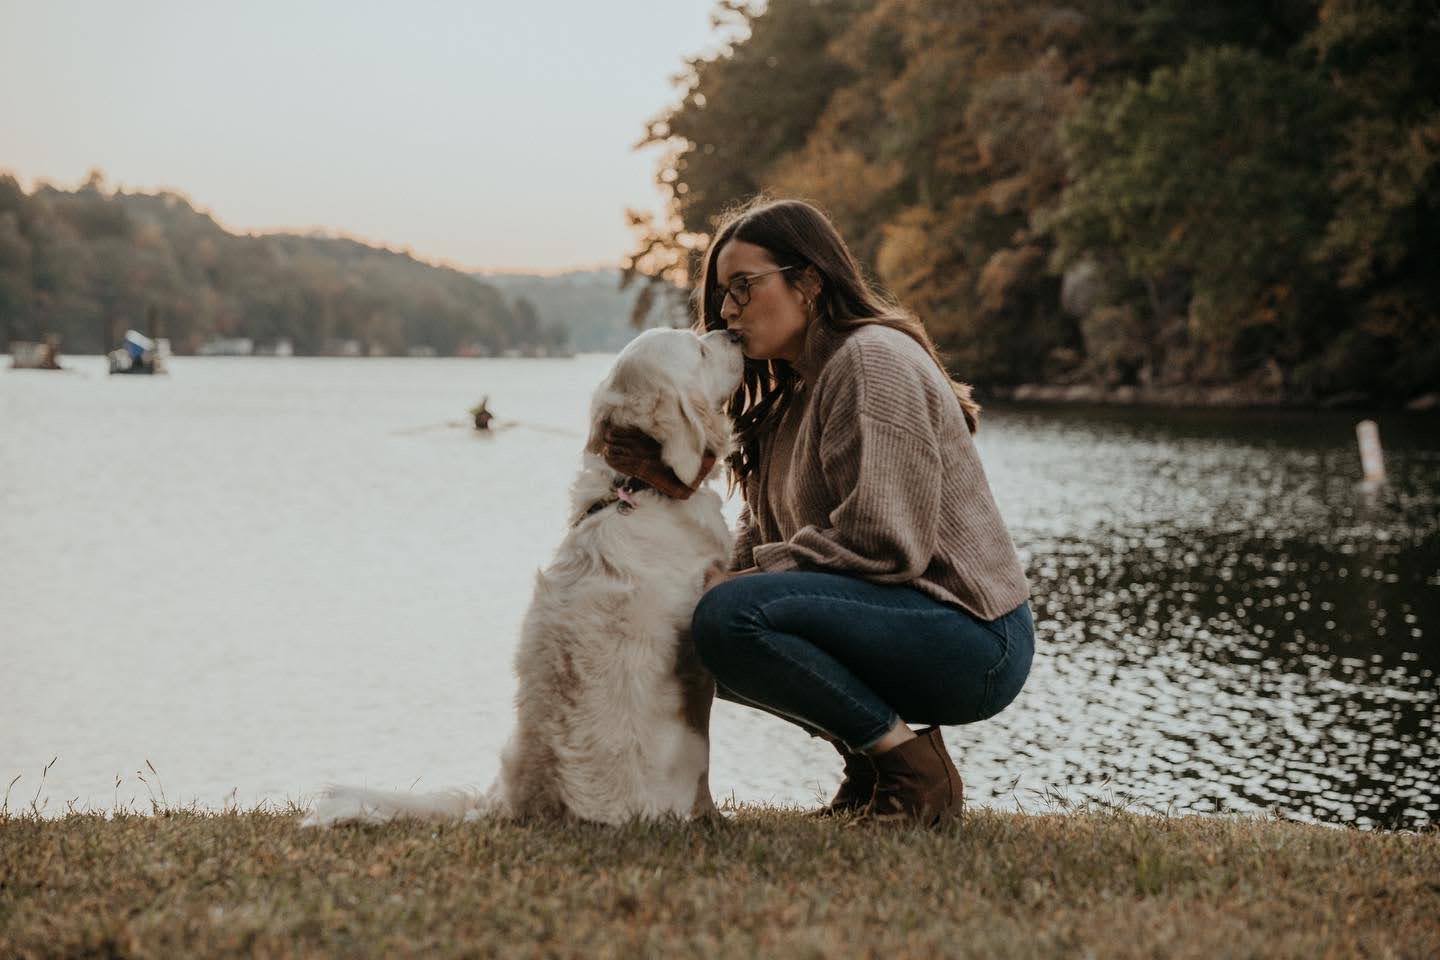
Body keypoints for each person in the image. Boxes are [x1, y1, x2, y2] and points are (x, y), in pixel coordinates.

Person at [601, 198, 1033, 826]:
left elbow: (886, 543)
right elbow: (761, 540)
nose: (726, 313)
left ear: (808, 282)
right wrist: (666, 552)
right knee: (686, 612)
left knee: (725, 614)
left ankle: (914, 776)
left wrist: (732, 587)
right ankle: (873, 770)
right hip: (899, 618)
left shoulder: (871, 359)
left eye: (743, 288)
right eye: (723, 294)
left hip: (971, 635)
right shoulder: (793, 390)